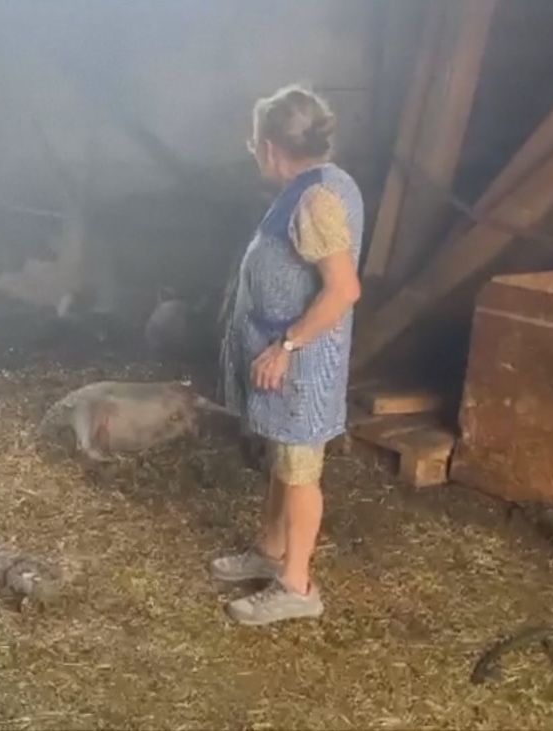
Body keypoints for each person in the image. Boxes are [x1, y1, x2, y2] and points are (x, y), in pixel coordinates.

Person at [212, 84, 364, 626]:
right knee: (286, 458)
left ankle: (296, 584)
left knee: (300, 469)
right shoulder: (319, 184)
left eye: (255, 143)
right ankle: (271, 549)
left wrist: (288, 345)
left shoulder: (315, 201)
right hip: (289, 360)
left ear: (272, 147)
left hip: (302, 364)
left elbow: (343, 290)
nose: (254, 152)